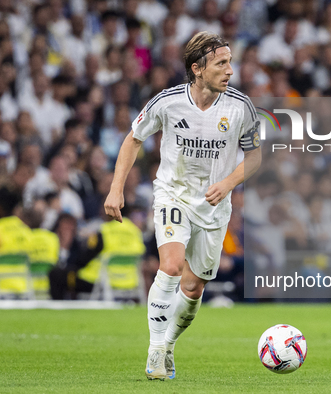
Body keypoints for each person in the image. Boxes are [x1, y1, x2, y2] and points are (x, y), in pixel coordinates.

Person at [104, 32, 262, 380]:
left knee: (193, 288)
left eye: (230, 62)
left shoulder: (240, 107)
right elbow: (133, 139)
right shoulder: (168, 102)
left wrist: (228, 183)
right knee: (172, 266)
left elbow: (255, 156)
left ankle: (169, 344)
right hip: (172, 195)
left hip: (214, 207)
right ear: (197, 69)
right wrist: (116, 189)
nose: (230, 70)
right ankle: (155, 352)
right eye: (221, 63)